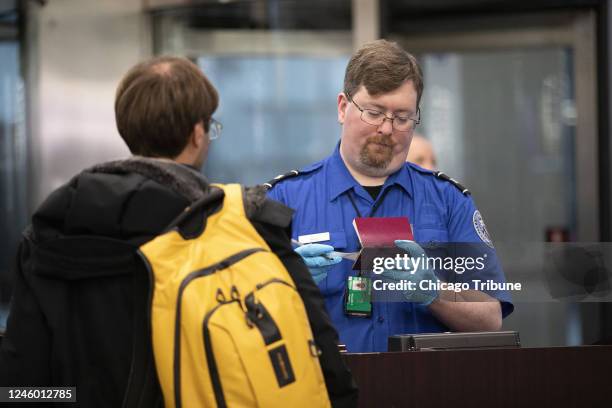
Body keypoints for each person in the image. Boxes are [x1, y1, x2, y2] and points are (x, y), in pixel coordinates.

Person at [0, 57, 357, 407]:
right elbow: (320, 358)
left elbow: (20, 384)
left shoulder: (52, 230)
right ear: (198, 133)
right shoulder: (244, 225)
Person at [266, 40, 513, 353]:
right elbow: (240, 320)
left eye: (402, 117)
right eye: (374, 112)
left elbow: (490, 318)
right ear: (343, 108)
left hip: (422, 389)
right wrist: (281, 280)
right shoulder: (283, 200)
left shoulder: (449, 201)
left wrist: (433, 293)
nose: (386, 128)